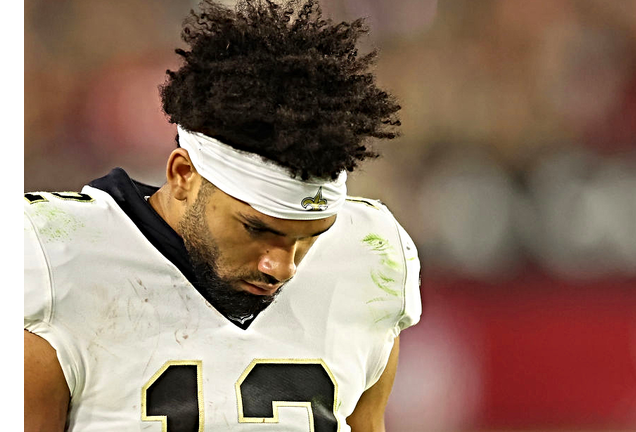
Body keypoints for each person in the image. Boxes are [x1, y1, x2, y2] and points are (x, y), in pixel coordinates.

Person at [23, 1, 421, 431]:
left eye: (311, 236)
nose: (282, 267)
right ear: (183, 175)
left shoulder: (370, 254)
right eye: (257, 228)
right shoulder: (54, 258)